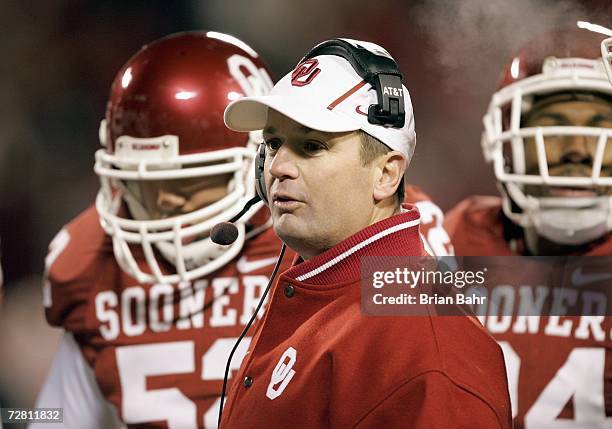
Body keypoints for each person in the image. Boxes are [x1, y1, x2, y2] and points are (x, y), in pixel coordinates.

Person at [218, 38, 511, 428]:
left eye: (311, 145)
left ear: (387, 174)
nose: (278, 168)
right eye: (273, 144)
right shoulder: (319, 280)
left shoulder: (425, 346)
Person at [33, 31, 292, 429]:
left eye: (187, 182)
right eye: (146, 185)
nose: (167, 203)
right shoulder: (90, 263)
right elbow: (54, 419)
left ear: (260, 160)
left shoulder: (342, 230)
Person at [445, 27, 612, 428]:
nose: (577, 149)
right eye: (553, 127)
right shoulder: (453, 239)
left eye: (599, 127)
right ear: (505, 140)